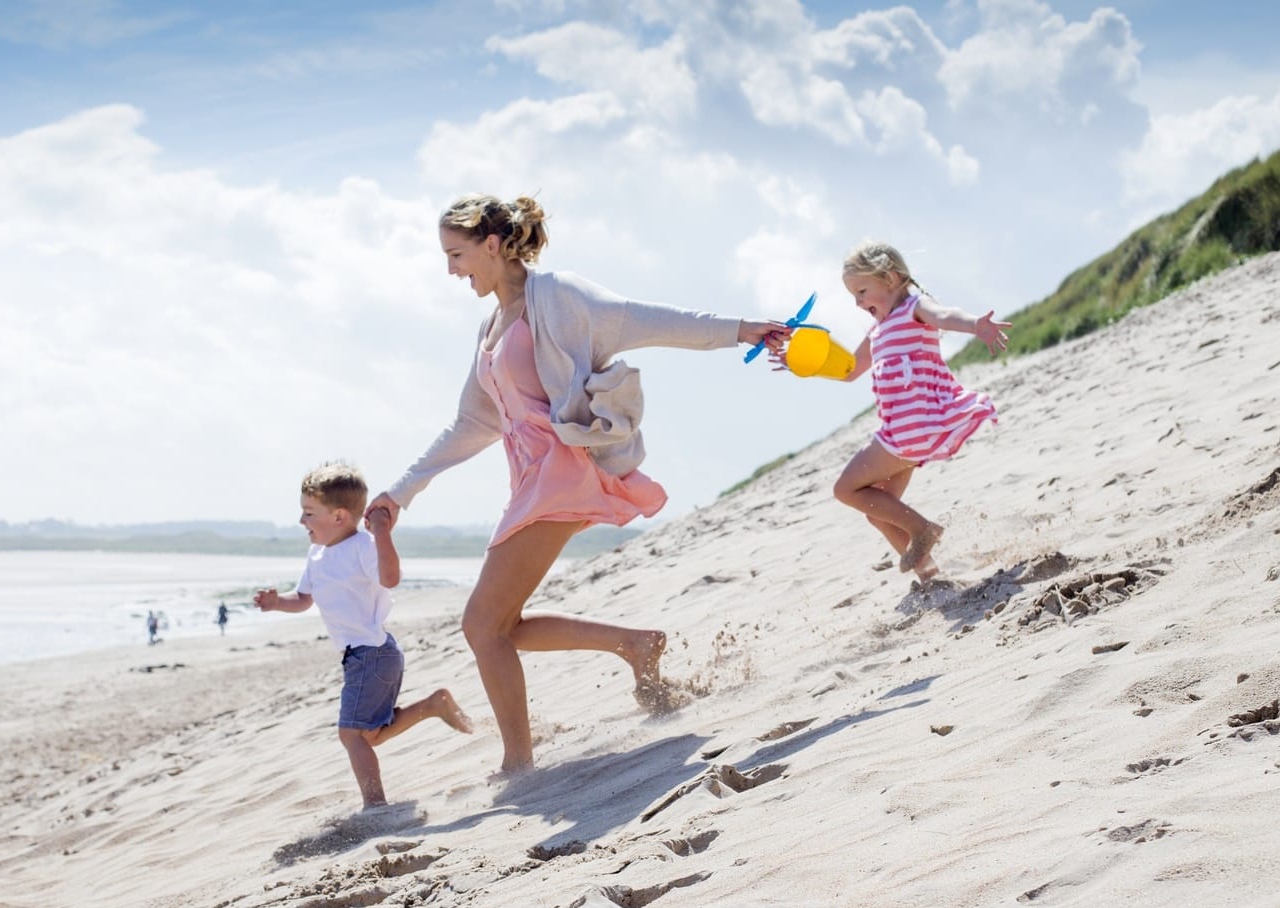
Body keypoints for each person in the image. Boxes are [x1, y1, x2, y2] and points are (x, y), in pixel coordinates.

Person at [365, 193, 787, 777]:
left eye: (456, 254)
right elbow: (473, 422)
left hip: (564, 472)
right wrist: (401, 491)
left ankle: (519, 761)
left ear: (492, 245)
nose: (451, 269)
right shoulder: (492, 325)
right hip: (532, 479)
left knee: (481, 625)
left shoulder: (559, 297)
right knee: (501, 626)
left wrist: (743, 329)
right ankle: (634, 645)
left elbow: (647, 319)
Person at [256, 462, 473, 809]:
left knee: (352, 734)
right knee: (369, 733)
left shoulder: (363, 545)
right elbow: (303, 599)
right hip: (363, 657)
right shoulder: (316, 554)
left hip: (372, 654)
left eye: (309, 514)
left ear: (339, 516)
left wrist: (383, 534)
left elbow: (390, 578)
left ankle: (375, 806)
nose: (301, 522)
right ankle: (434, 705)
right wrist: (275, 602)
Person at [826, 239, 1006, 580]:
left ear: (890, 279)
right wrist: (799, 358)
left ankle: (923, 529)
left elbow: (945, 315)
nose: (857, 302)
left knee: (845, 489)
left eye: (862, 291)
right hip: (905, 431)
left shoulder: (914, 308)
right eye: (853, 296)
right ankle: (930, 575)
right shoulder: (878, 330)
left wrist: (974, 325)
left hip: (911, 429)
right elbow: (848, 370)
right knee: (879, 510)